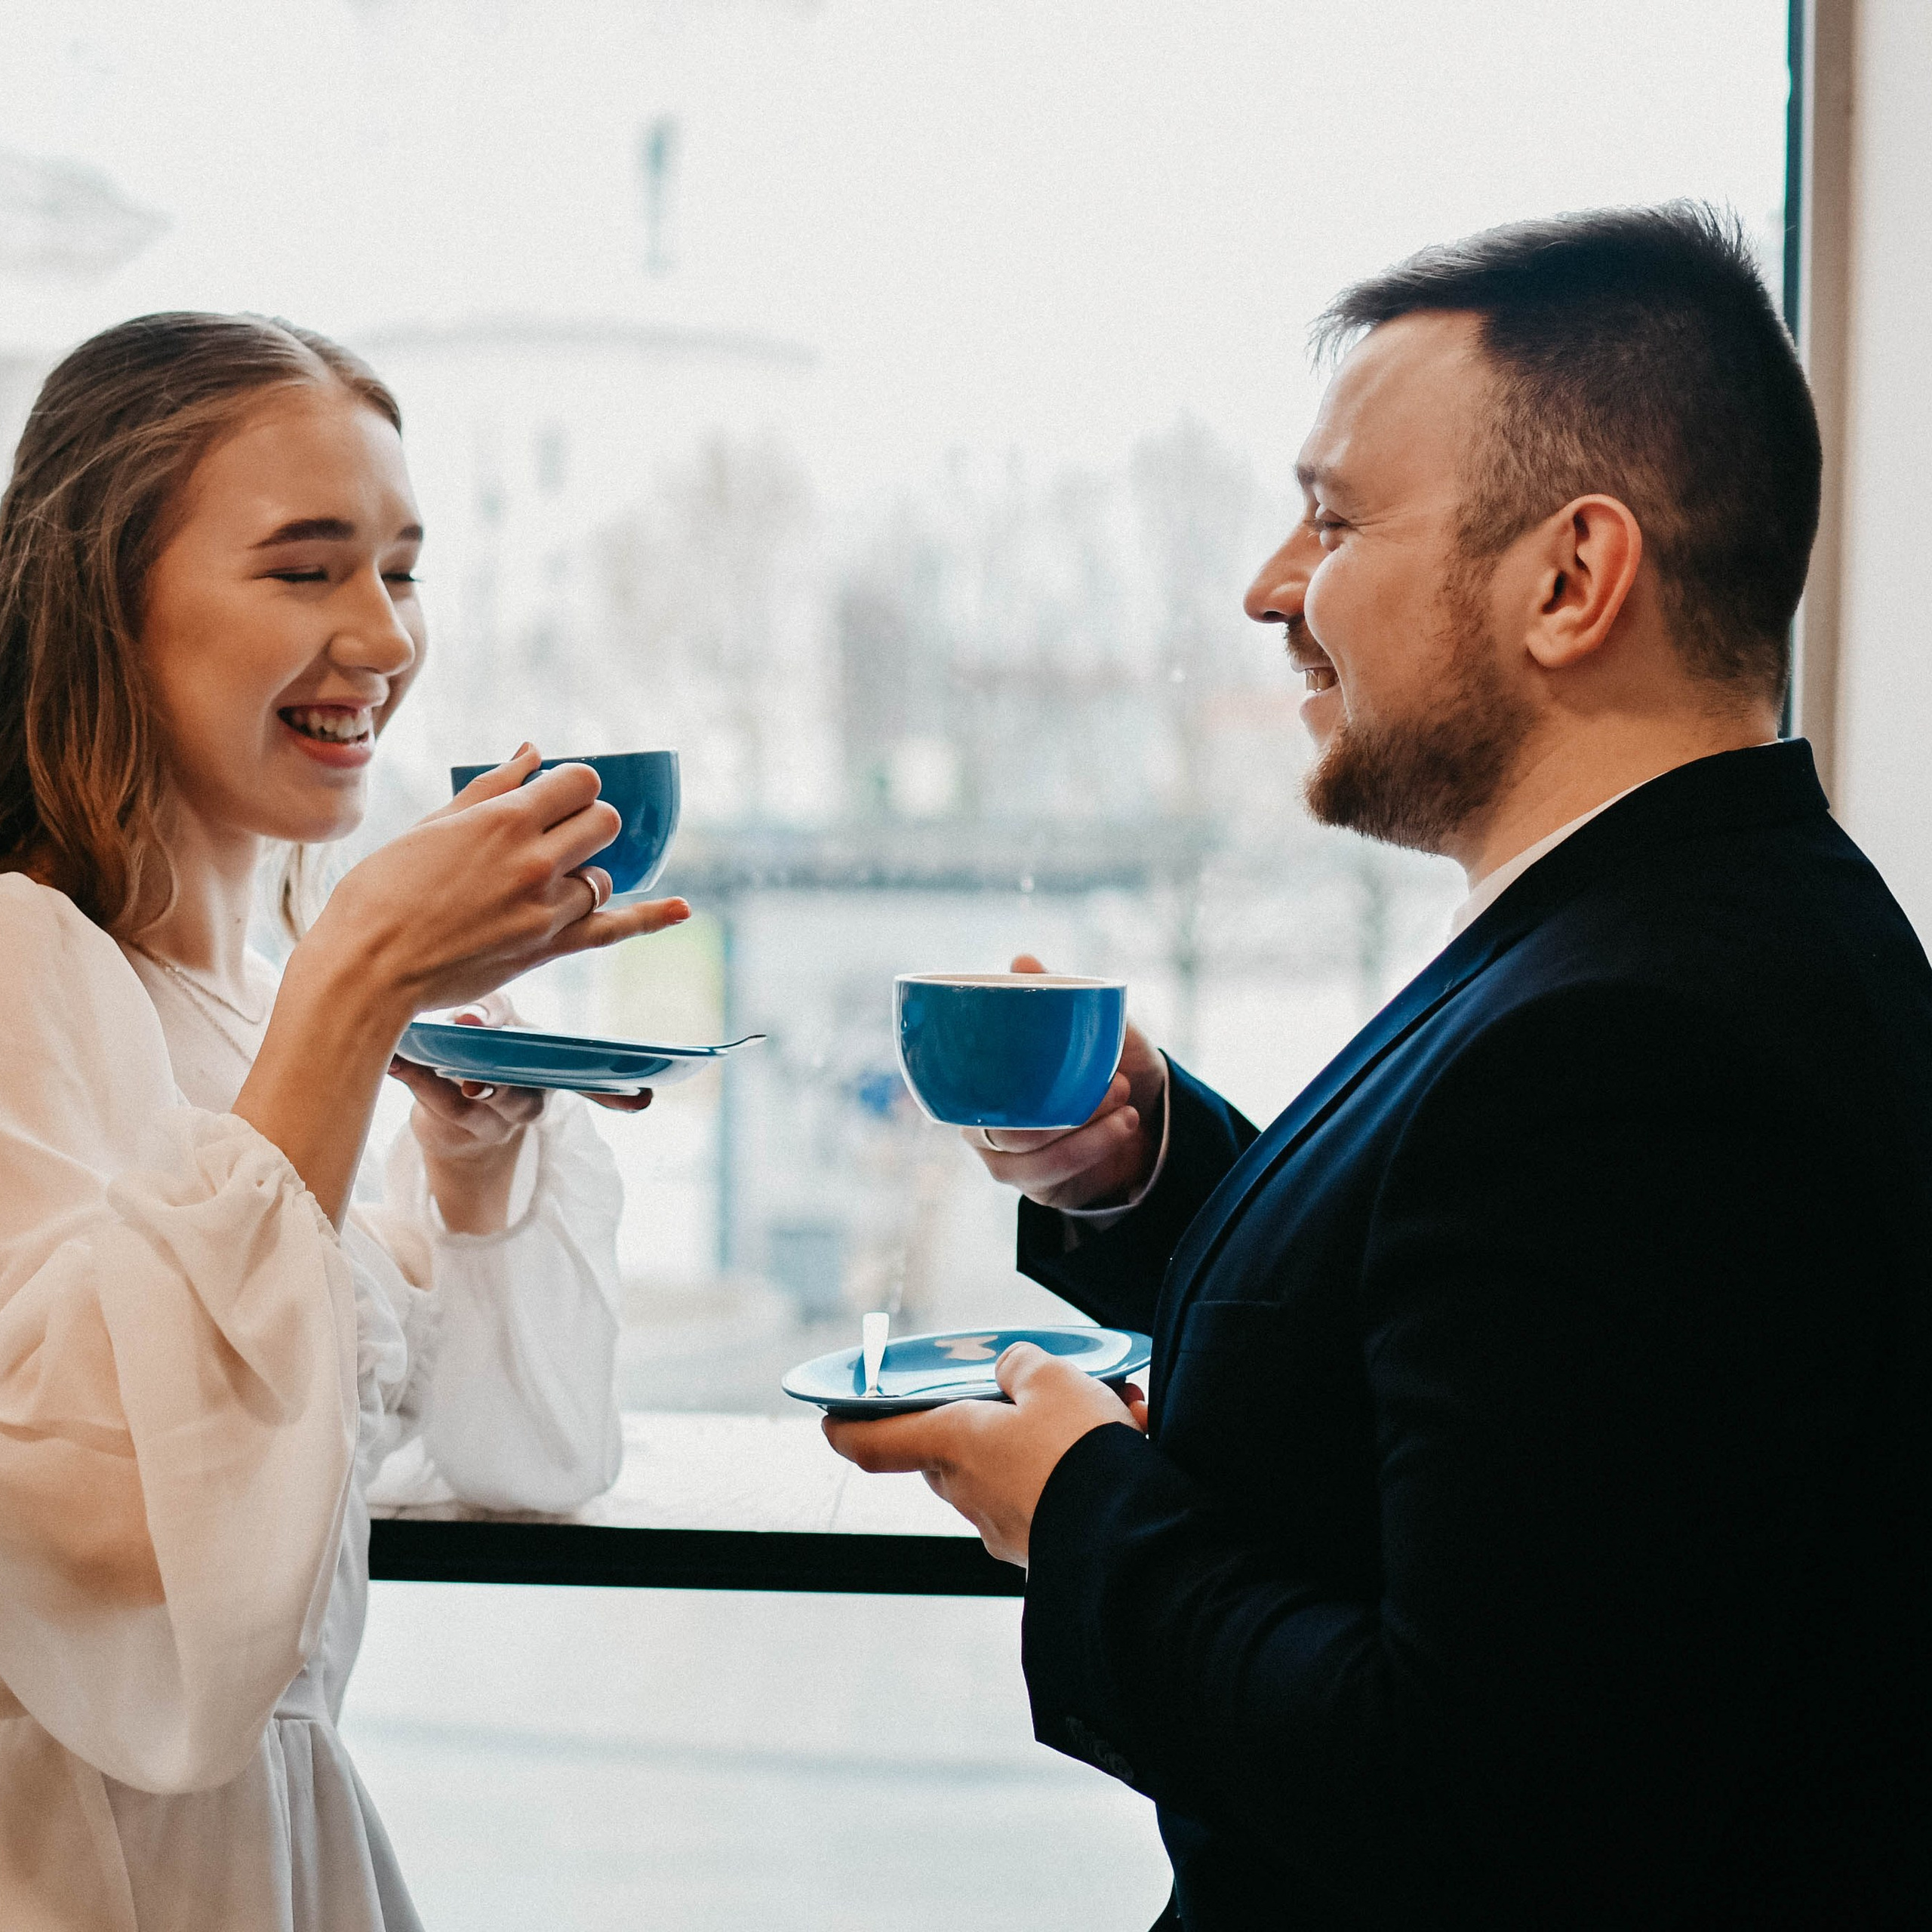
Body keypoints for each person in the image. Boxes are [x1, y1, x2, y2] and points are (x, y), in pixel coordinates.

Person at [827, 205, 1932, 1927]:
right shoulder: (1681, 935)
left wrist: (1079, 1507)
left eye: (1334, 520)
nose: (1271, 587)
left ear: (1570, 579)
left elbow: (1475, 1805)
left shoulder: (1638, 1047)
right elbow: (1476, 1347)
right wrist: (1151, 1164)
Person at [0, 312, 689, 1930]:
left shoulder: (255, 1007)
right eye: (307, 570)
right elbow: (98, 1532)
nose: (383, 639)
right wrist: (358, 981)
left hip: (272, 1858)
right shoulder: (25, 961)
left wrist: (470, 1164)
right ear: (105, 607)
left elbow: (537, 1457)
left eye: (403, 570)